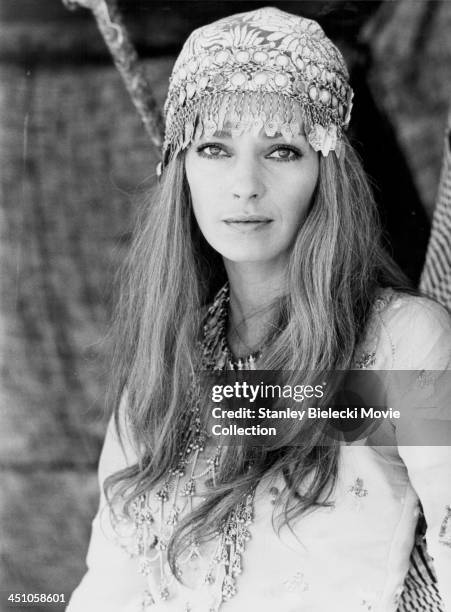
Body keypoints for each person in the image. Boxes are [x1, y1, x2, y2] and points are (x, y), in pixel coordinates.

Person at [67, 7, 451, 612]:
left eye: (281, 151)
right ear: (182, 170)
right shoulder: (167, 364)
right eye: (215, 148)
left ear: (328, 171)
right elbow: (108, 585)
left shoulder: (400, 342)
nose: (244, 184)